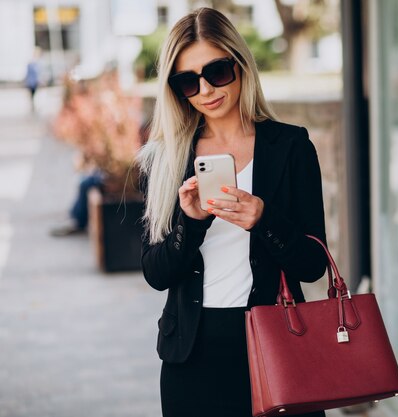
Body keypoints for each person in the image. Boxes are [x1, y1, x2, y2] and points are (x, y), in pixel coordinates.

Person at [136, 8, 327, 417]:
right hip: (192, 354)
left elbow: (313, 264)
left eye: (217, 71)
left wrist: (265, 220)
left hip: (279, 344)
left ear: (240, 64)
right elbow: (156, 273)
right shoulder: (165, 159)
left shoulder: (291, 147)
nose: (205, 89)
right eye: (189, 80)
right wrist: (192, 222)